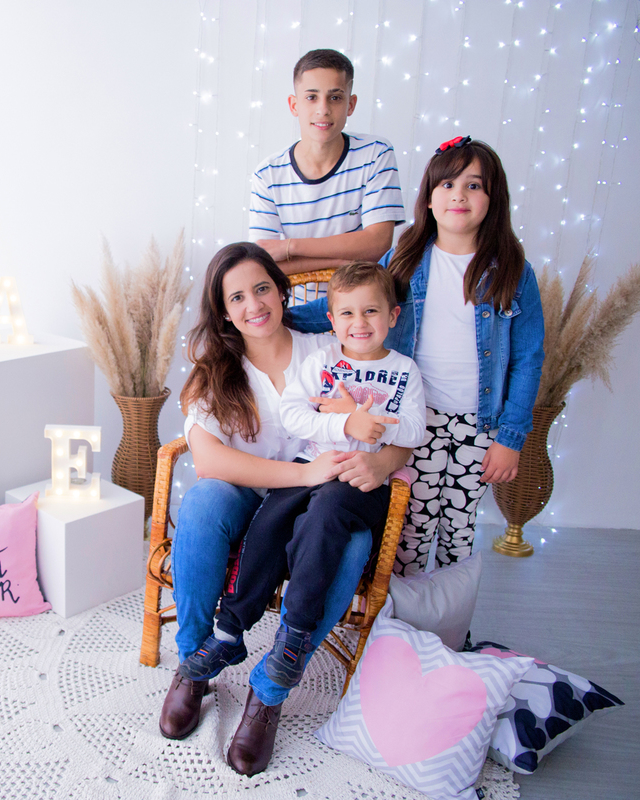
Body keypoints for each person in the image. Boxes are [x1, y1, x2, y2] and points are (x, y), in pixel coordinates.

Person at [156, 243, 413, 757]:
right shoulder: (216, 370)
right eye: (237, 298)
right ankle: (194, 665)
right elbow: (208, 461)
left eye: (262, 289)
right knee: (203, 501)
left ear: (281, 290)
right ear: (223, 311)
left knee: (353, 540)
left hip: (319, 507)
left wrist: (383, 463)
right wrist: (302, 474)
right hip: (246, 498)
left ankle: (269, 691)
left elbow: (395, 421)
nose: (253, 305)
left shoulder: (329, 348)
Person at [286, 137, 544, 575]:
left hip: (480, 424)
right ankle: (402, 613)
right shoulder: (407, 259)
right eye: (447, 185)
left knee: (459, 530)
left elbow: (528, 359)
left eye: (474, 186)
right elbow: (345, 304)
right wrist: (280, 318)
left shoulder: (513, 271)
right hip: (414, 419)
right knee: (408, 529)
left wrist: (510, 438)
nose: (458, 195)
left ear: (493, 199)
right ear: (428, 197)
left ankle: (450, 614)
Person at [249, 49, 405, 275]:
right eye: (311, 97)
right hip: (295, 297)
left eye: (335, 98)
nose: (323, 109)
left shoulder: (376, 154)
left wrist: (290, 247)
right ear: (294, 105)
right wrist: (339, 261)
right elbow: (263, 264)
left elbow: (378, 244)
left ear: (351, 104)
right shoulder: (268, 174)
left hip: (359, 296)